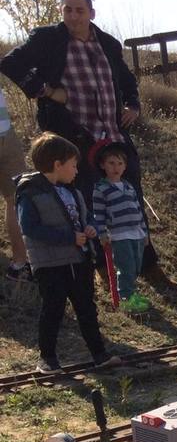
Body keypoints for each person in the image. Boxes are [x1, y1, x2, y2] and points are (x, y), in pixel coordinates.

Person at [0, 0, 171, 288]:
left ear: (91, 13)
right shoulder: (48, 40)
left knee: (131, 197)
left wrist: (133, 104)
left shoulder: (107, 42)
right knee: (89, 205)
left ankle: (148, 264)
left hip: (113, 135)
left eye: (79, 10)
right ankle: (103, 270)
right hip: (75, 137)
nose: (73, 16)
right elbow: (11, 62)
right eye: (67, 9)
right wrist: (47, 91)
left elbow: (127, 78)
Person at [15, 132, 119, 373]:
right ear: (57, 165)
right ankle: (48, 359)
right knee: (53, 308)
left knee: (86, 307)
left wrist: (89, 227)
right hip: (49, 264)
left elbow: (83, 217)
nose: (76, 170)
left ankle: (99, 354)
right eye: (73, 165)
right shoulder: (29, 192)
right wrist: (68, 238)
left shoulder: (72, 191)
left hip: (78, 259)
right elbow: (29, 228)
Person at [91, 140, 149, 311]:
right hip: (119, 234)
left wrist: (144, 232)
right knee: (126, 267)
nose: (116, 167)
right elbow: (99, 214)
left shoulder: (129, 186)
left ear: (124, 166)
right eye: (111, 163)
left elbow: (138, 209)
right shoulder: (101, 188)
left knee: (137, 266)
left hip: (136, 233)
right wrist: (102, 233)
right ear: (103, 165)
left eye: (120, 163)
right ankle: (126, 299)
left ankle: (131, 293)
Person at [1, 85, 32, 281]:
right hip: (5, 132)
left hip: (5, 132)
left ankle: (19, 263)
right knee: (15, 198)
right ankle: (19, 263)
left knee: (16, 197)